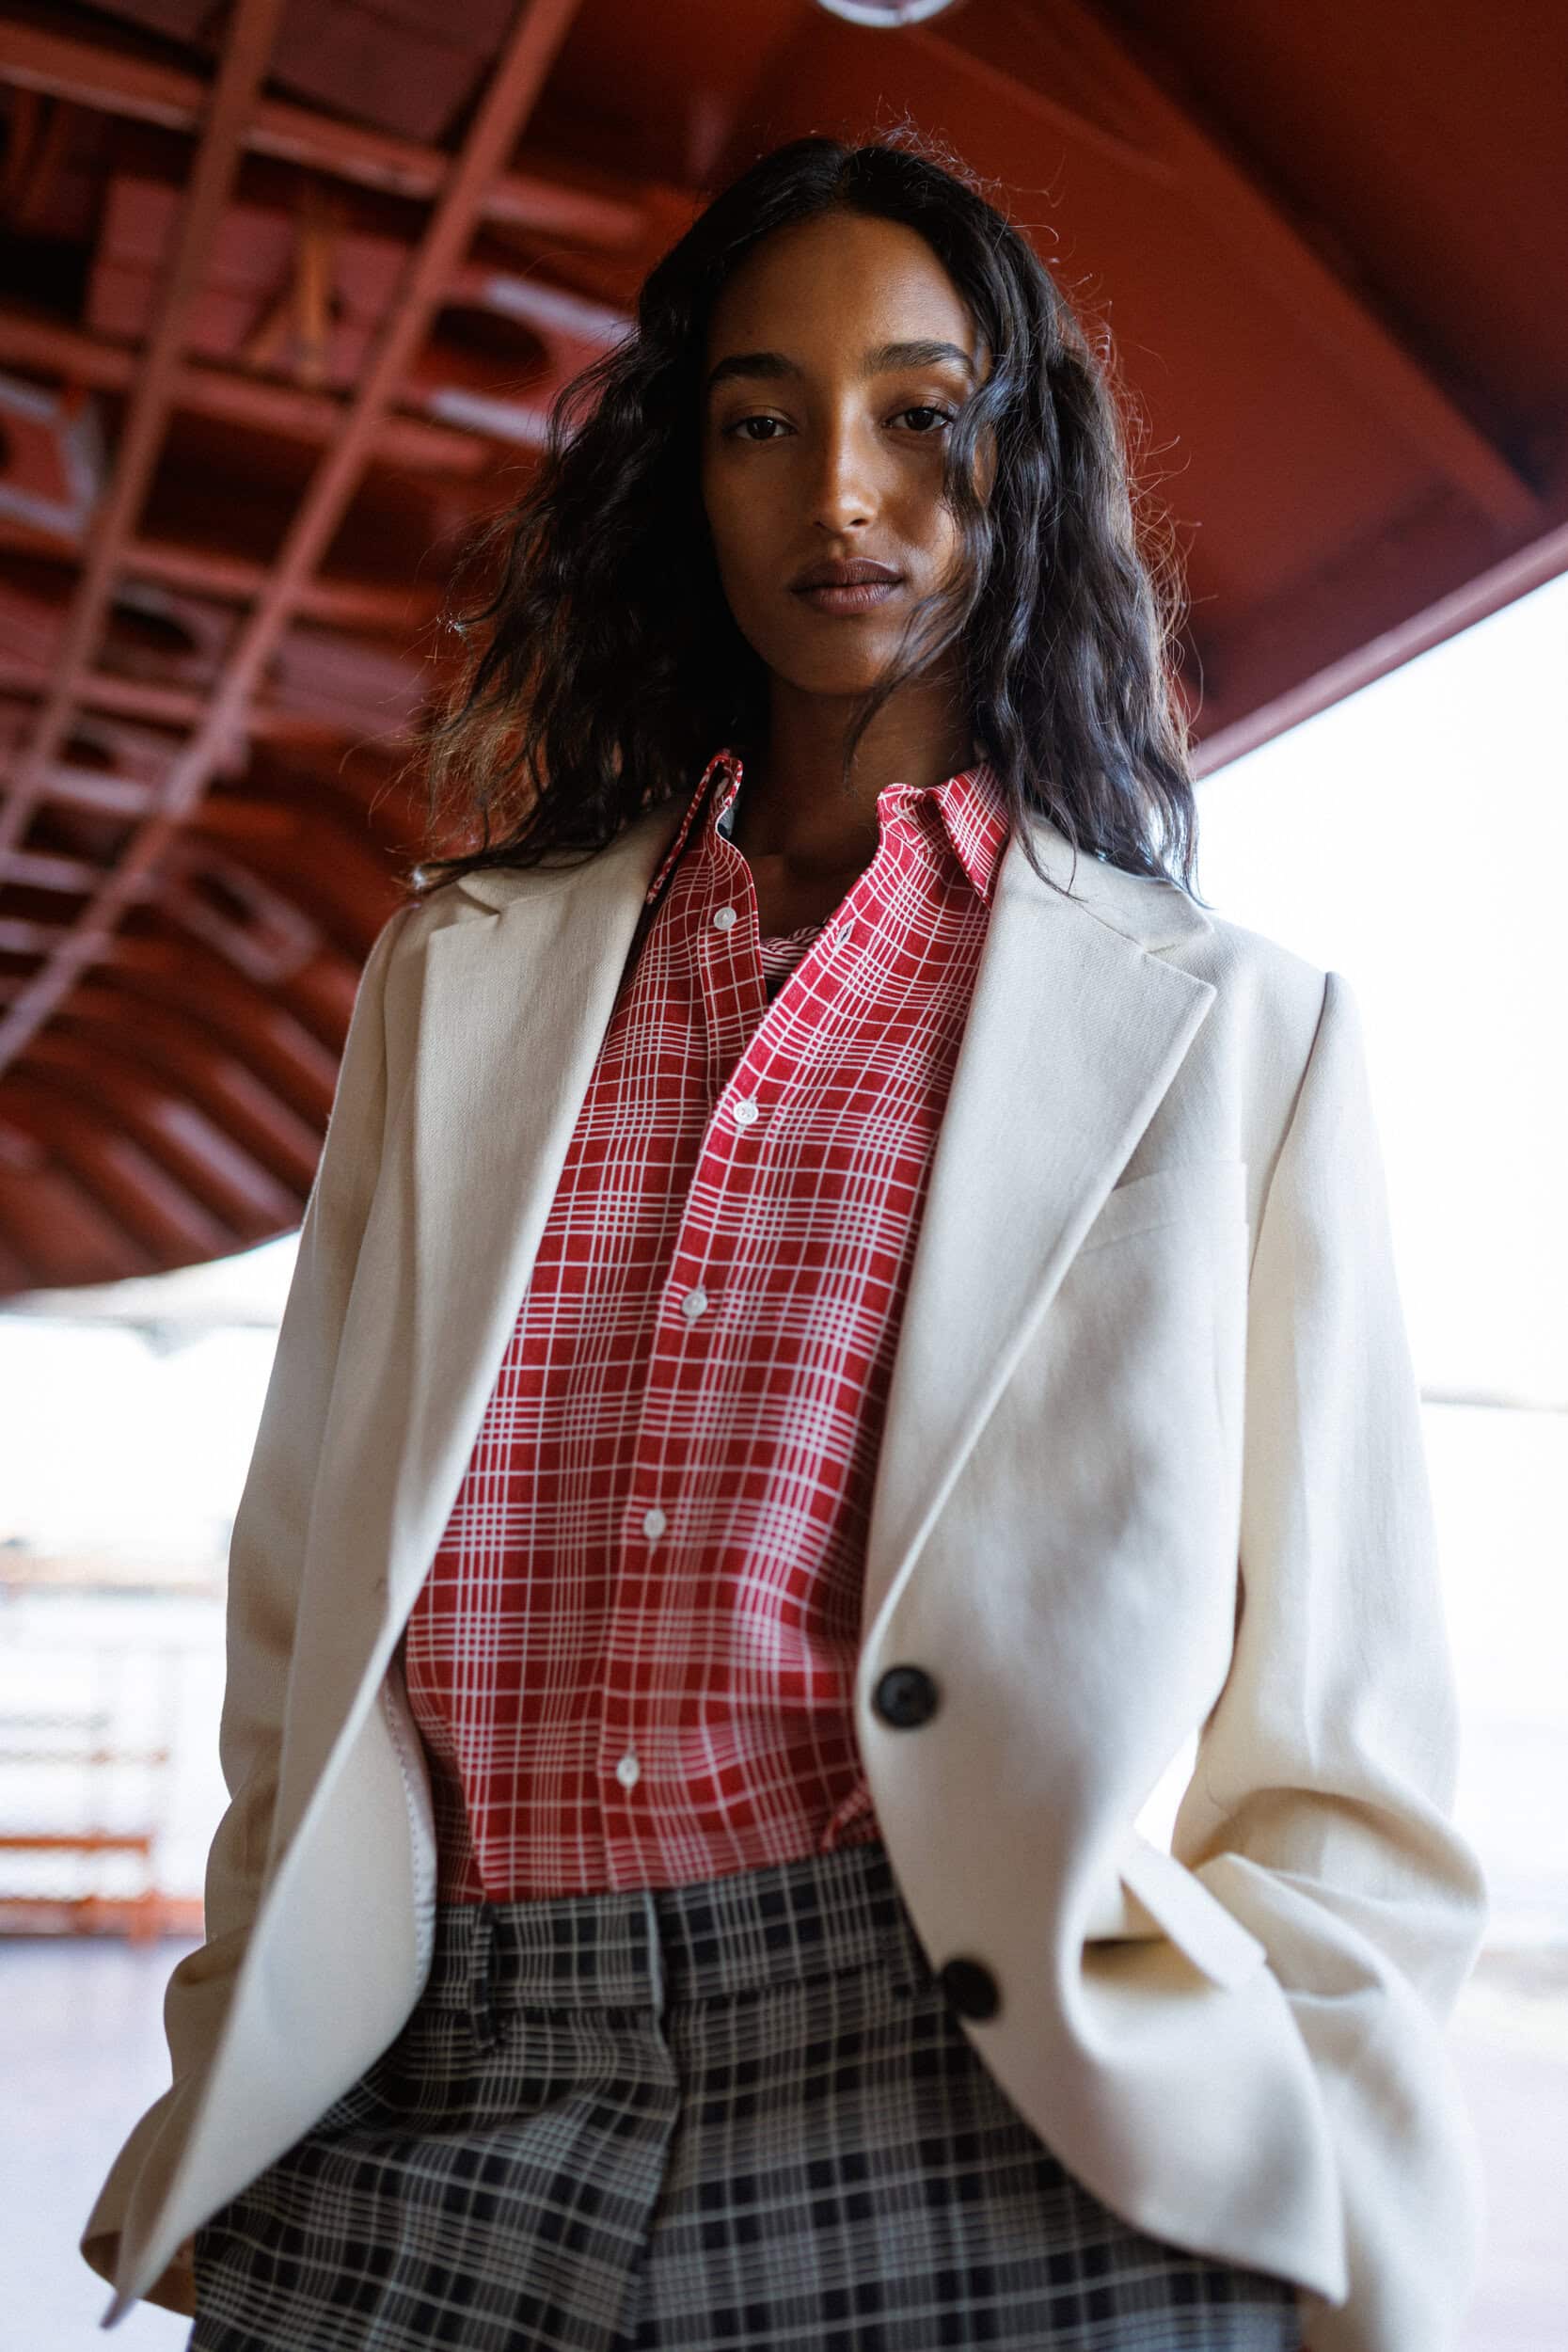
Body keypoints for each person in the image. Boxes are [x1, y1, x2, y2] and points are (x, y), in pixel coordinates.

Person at [81, 135, 1487, 2352]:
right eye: (761, 421)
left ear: (1021, 469)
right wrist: (241, 2022)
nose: (841, 489)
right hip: (434, 2088)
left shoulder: (1229, 1036)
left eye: (921, 416)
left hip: (971, 2106)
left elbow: (1338, 1752)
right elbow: (303, 1607)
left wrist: (1333, 2214)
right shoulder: (457, 978)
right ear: (686, 473)